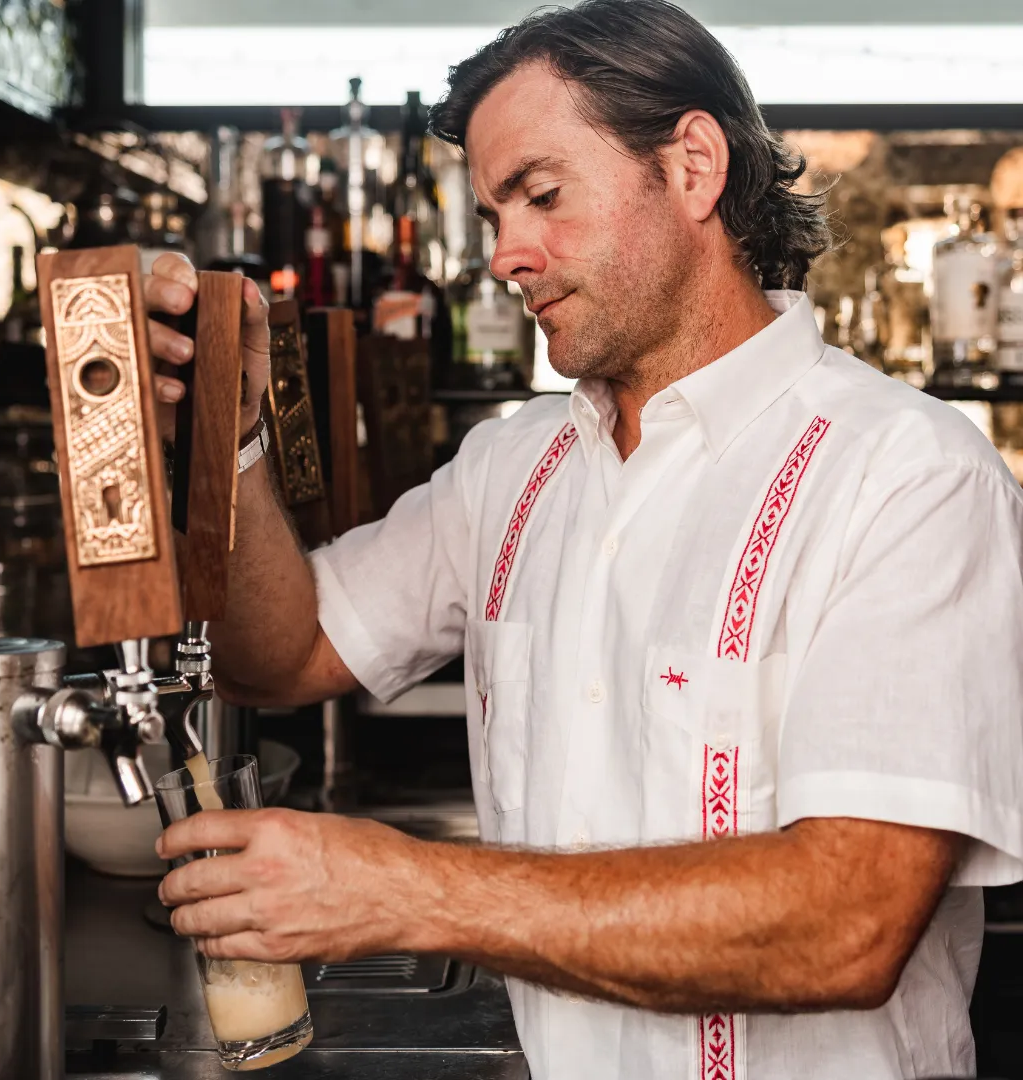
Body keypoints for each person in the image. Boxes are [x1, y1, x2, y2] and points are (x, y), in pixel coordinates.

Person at [147, 2, 1023, 1077]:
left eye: (543, 196)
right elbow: (276, 655)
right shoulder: (510, 472)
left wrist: (405, 889)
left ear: (693, 166)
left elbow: (848, 922)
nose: (507, 255)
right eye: (492, 216)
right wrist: (230, 441)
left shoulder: (906, 474)